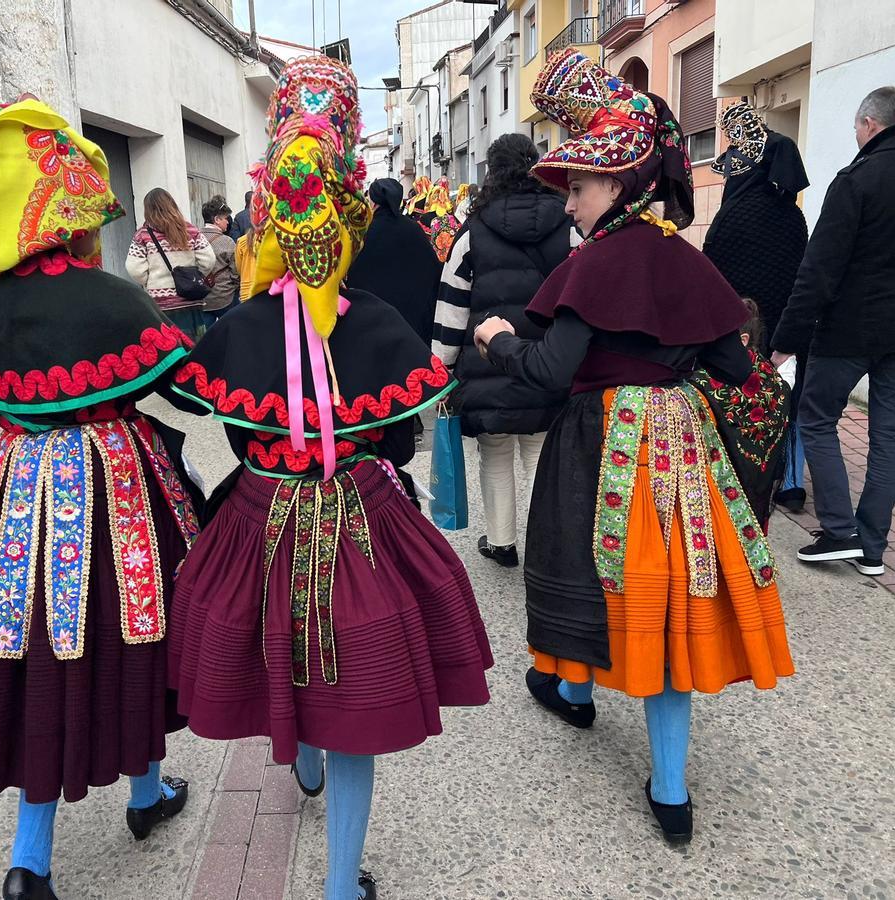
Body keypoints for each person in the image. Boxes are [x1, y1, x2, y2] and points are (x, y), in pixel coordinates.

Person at [165, 56, 493, 900]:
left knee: (279, 642)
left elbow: (236, 436)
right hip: (357, 511)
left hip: (261, 509)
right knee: (354, 691)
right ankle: (342, 886)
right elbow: (397, 439)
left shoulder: (240, 326)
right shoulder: (378, 324)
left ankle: (300, 760)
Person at [473, 49, 794, 845]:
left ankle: (575, 696)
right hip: (683, 446)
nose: (569, 203)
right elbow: (732, 367)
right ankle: (672, 792)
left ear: (616, 184)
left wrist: (499, 340)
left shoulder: (599, 264)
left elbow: (550, 374)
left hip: (602, 443)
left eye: (577, 186)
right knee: (670, 595)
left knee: (583, 568)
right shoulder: (686, 263)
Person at [0, 99, 203, 900]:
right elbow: (197, 396)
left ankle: (31, 860)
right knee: (134, 631)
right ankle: (145, 795)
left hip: (19, 490)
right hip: (122, 486)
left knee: (34, 650)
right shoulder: (113, 300)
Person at [771, 86, 895, 578]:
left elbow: (818, 269)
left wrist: (786, 340)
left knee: (816, 420)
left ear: (870, 125)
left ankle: (839, 531)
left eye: (857, 128)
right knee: (890, 434)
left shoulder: (857, 179)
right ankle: (873, 546)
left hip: (849, 330)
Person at [431, 133, 571, 568]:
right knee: (539, 452)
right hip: (549, 361)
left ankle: (502, 543)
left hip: (488, 360)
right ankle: (544, 547)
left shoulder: (472, 231)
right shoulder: (568, 224)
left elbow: (452, 306)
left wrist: (441, 369)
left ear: (491, 172)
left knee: (495, 454)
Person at [702, 101, 810, 514]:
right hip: (785, 327)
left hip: (739, 329)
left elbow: (713, 275)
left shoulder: (733, 214)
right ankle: (791, 481)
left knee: (740, 397)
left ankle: (740, 469)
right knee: (785, 398)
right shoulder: (792, 217)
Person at [689, 297, 792, 531]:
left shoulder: (708, 379)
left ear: (742, 340)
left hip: (718, 494)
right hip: (759, 491)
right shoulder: (774, 380)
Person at [348, 178, 442, 345]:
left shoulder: (364, 232)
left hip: (374, 325)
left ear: (374, 201)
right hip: (413, 328)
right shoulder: (413, 229)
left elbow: (353, 276)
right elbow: (433, 272)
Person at [126, 187, 216, 304]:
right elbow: (209, 260)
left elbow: (135, 270)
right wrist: (195, 275)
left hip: (160, 303)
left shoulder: (142, 235)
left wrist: (152, 281)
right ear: (172, 204)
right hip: (190, 298)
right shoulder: (190, 230)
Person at [198, 195, 241, 328]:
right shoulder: (227, 241)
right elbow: (236, 271)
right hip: (225, 298)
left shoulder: (194, 239)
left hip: (203, 298)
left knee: (206, 340)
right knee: (232, 333)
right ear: (216, 220)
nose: (228, 222)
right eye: (225, 218)